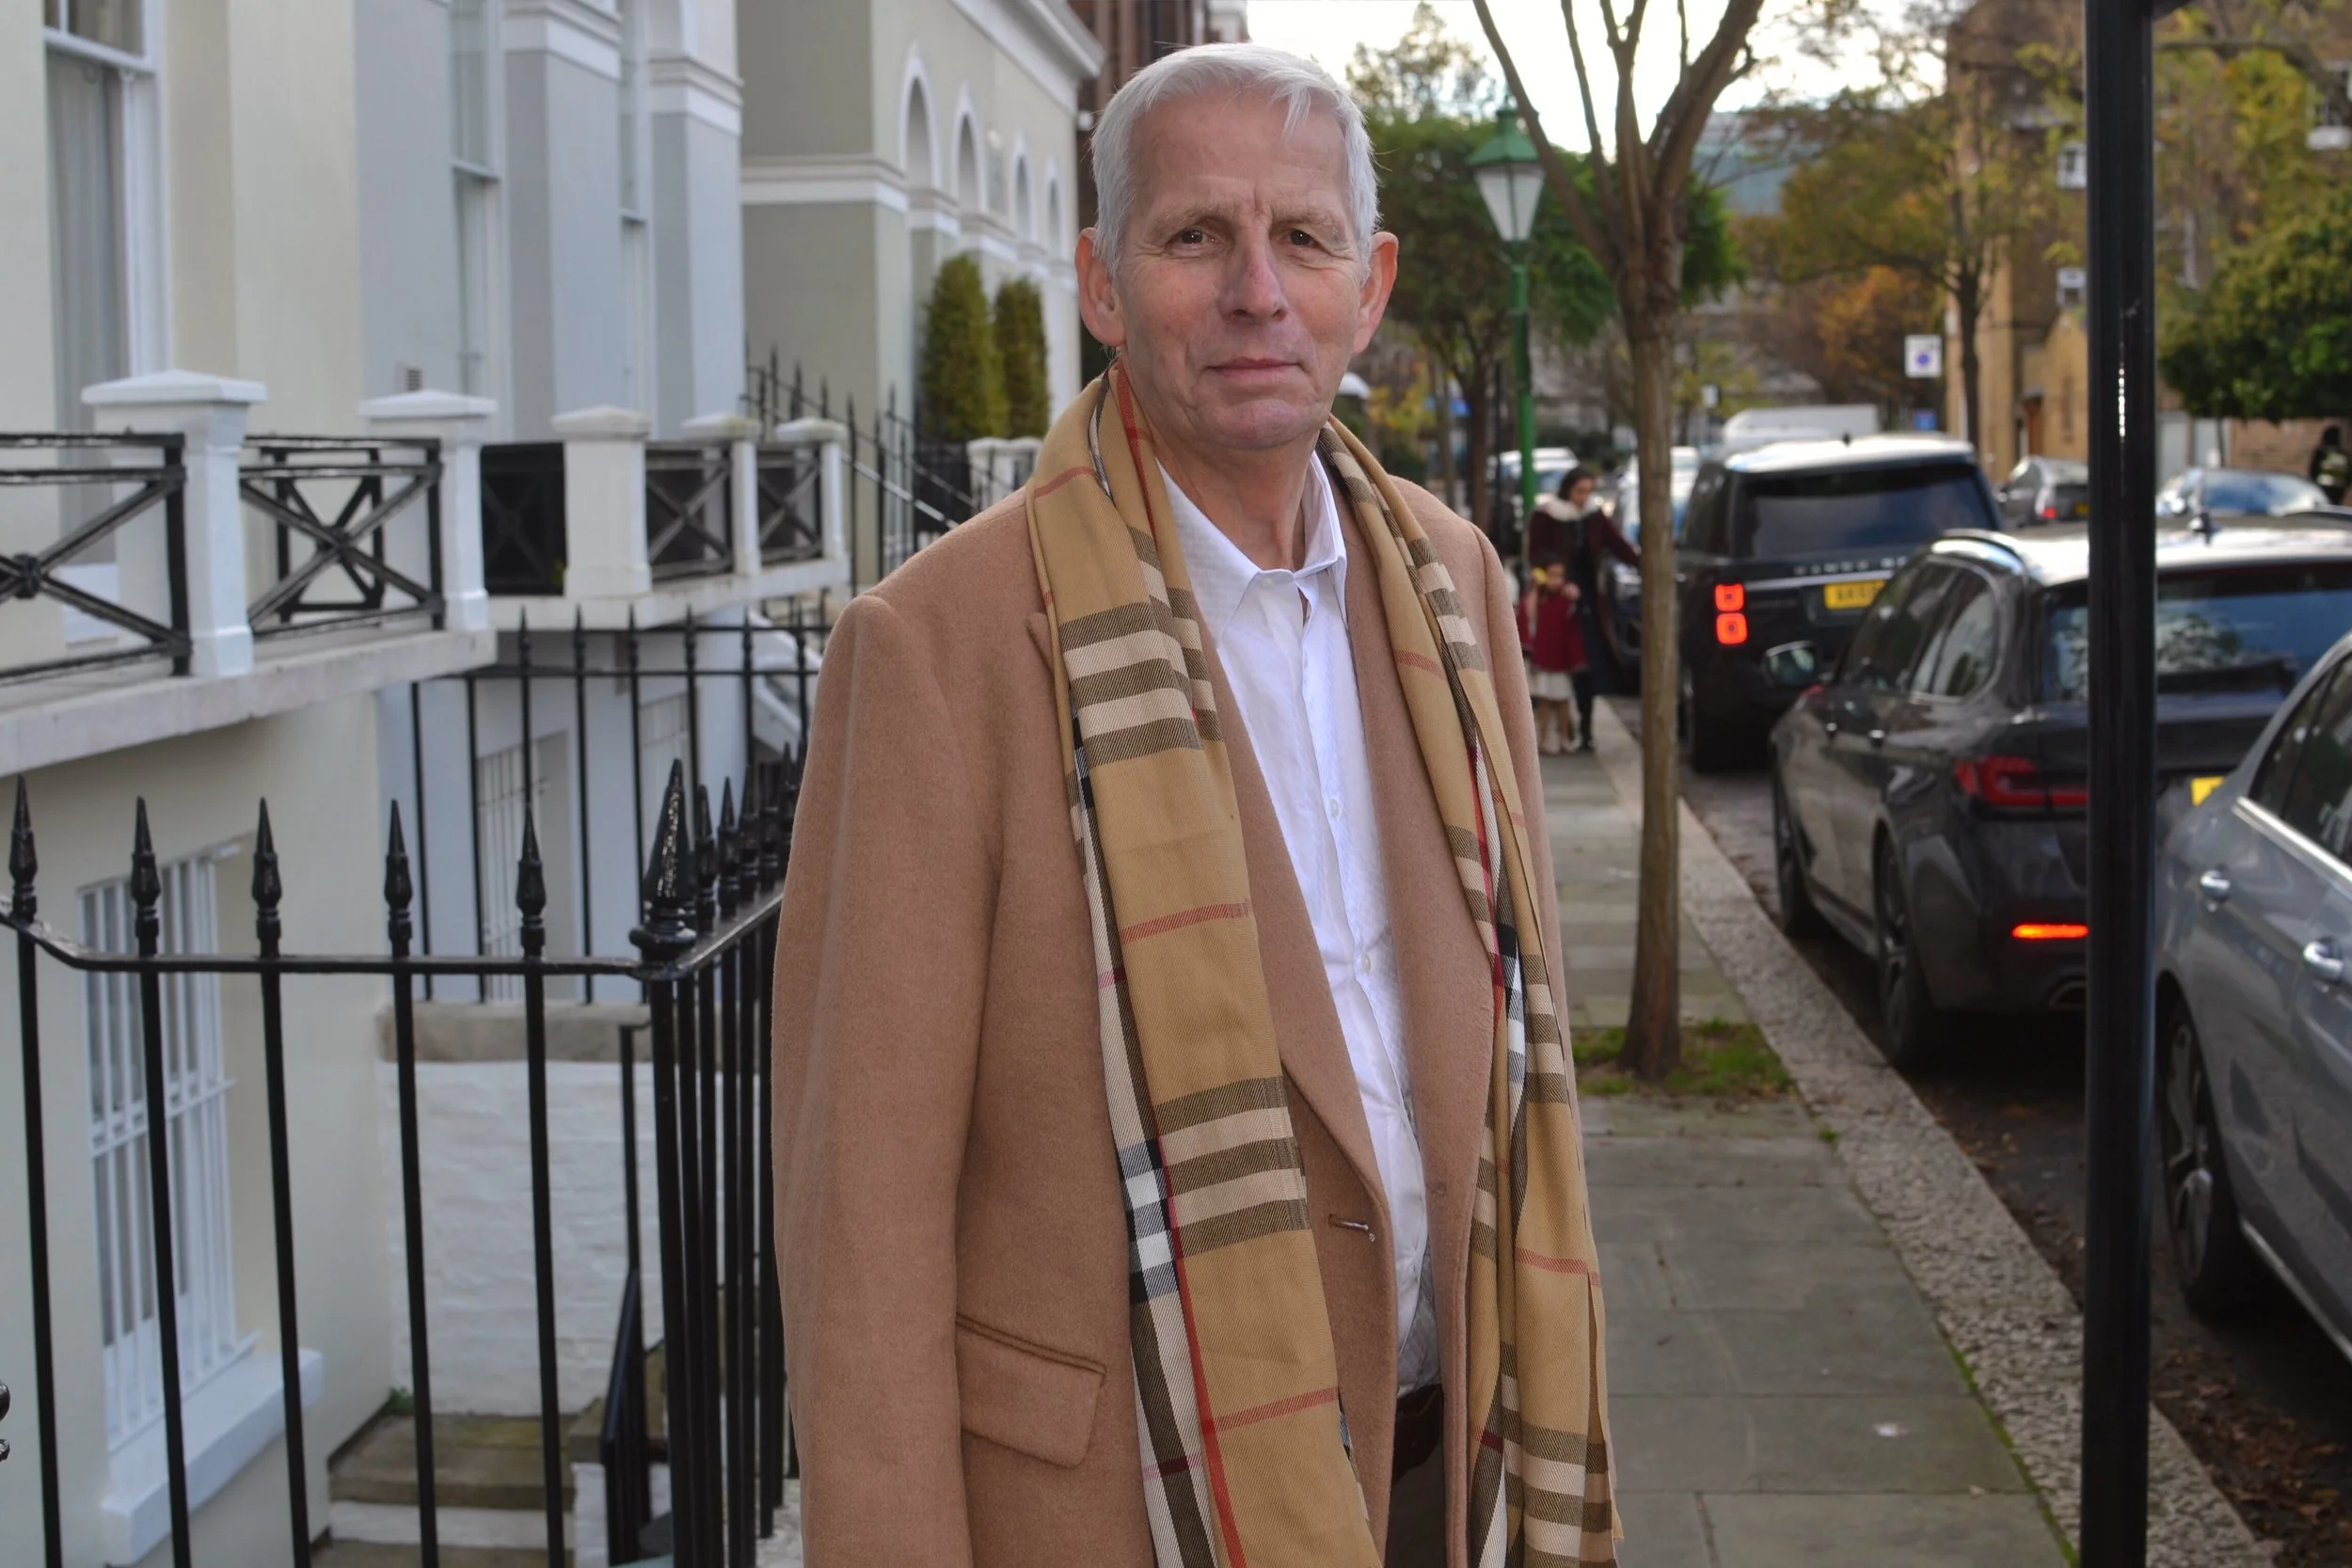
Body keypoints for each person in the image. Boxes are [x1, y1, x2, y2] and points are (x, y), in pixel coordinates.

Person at [771, 42, 1616, 1568]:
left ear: (1370, 288)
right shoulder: (936, 653)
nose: (1255, 291)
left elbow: (1502, 1051)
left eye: (1302, 237)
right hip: (1122, 1513)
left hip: (1451, 1475)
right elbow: (863, 1228)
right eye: (1193, 237)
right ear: (1102, 282)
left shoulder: (1456, 585)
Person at [1530, 466, 1639, 697]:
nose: (1583, 498)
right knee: (1560, 663)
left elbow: (1617, 543)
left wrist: (1642, 564)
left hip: (1588, 596)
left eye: (1588, 491)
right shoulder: (1547, 515)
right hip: (1557, 598)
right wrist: (1552, 581)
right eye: (1579, 491)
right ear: (1568, 489)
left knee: (1589, 661)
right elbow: (1535, 557)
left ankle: (1586, 724)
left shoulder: (1593, 516)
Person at [1520, 556, 1585, 754]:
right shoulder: (1537, 599)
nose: (1556, 580)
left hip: (1561, 659)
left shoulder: (1567, 601)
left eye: (1560, 576)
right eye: (1552, 575)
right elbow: (1527, 616)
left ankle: (1564, 738)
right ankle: (1544, 738)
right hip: (1543, 656)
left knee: (1562, 699)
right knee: (1544, 699)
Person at [2312, 425, 2350, 505]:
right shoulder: (2343, 456)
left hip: (2322, 489)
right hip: (2338, 492)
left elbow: (2313, 470)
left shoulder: (2321, 454)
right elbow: (2348, 475)